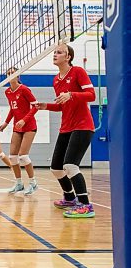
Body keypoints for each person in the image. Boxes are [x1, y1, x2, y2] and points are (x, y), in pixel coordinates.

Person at [36, 44, 96, 218]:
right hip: (66, 127)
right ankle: (70, 198)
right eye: (55, 52)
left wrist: (72, 94)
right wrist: (46, 106)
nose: (55, 54)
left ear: (68, 57)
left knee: (70, 165)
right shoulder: (56, 80)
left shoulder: (78, 72)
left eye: (59, 52)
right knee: (56, 167)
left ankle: (85, 205)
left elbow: (91, 95)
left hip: (83, 126)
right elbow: (63, 106)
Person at [0, 67, 39, 195]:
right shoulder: (8, 92)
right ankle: (19, 183)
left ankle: (33, 183)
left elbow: (35, 106)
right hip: (17, 126)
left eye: (13, 73)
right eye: (8, 74)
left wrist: (24, 120)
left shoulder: (24, 89)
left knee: (23, 156)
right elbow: (12, 109)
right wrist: (6, 122)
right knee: (12, 156)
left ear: (18, 76)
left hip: (29, 126)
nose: (10, 75)